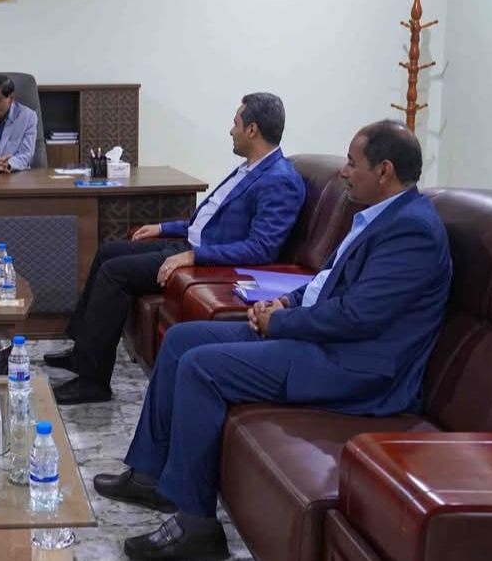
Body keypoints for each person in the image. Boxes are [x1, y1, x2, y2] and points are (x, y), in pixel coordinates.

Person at [94, 120, 451, 561]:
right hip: (320, 341)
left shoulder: (412, 231)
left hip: (356, 368)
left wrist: (280, 323)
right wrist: (283, 302)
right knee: (183, 340)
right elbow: (327, 283)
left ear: (384, 171)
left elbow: (358, 316)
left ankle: (197, 527)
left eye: (352, 163)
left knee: (202, 368)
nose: (344, 172)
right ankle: (151, 477)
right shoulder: (378, 215)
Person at [47, 93, 306, 405]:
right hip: (188, 245)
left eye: (236, 123)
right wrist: (163, 227)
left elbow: (262, 249)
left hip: (206, 261)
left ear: (252, 130)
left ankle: (93, 382)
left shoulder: (281, 180)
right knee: (108, 251)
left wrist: (194, 255)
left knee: (115, 273)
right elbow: (208, 220)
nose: (230, 130)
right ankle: (82, 353)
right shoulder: (249, 169)